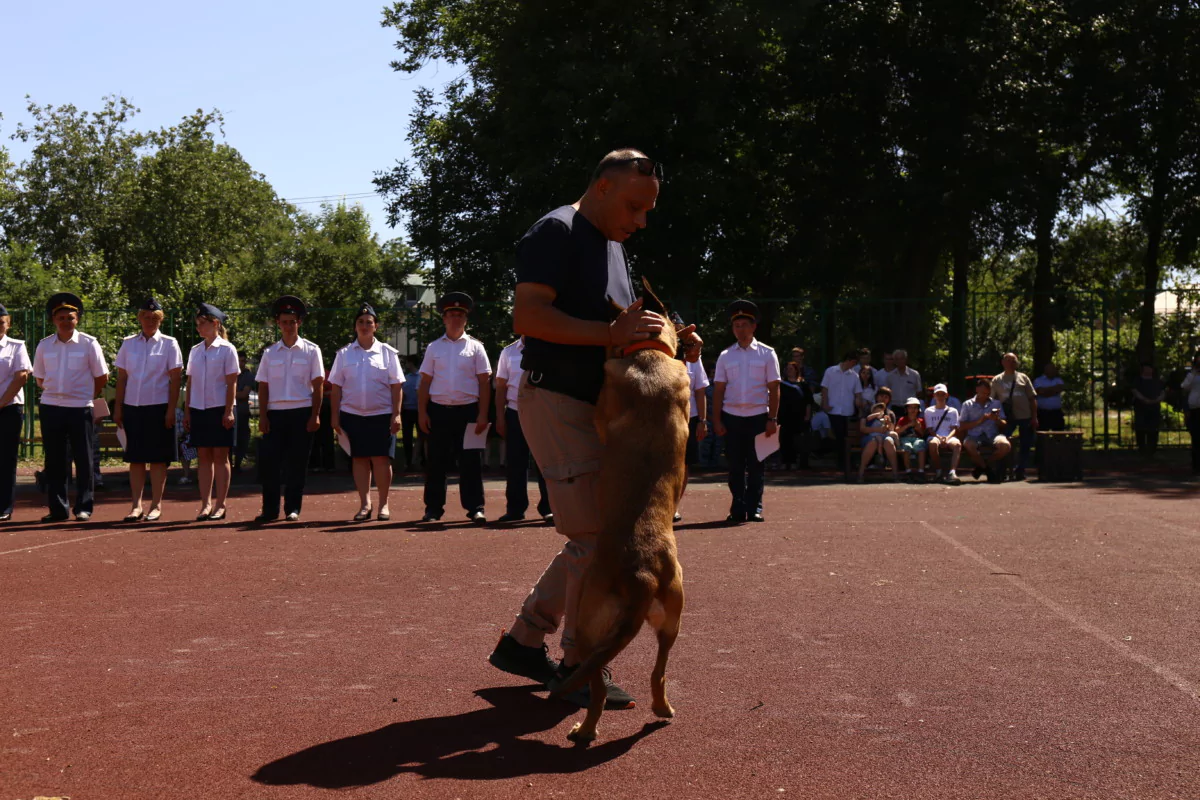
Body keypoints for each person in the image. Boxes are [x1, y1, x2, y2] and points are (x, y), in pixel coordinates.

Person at [488, 148, 671, 710]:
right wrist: (612, 334)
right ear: (604, 187)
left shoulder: (612, 245)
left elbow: (612, 325)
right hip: (557, 400)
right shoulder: (556, 231)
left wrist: (659, 336)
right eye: (636, 208)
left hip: (594, 407)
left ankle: (524, 641)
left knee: (591, 536)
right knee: (597, 538)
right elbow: (528, 318)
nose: (641, 222)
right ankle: (575, 666)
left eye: (648, 211)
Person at [33, 293, 109, 522]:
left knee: (84, 459)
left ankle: (83, 507)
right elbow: (39, 378)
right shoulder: (44, 345)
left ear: (77, 319)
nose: (66, 321)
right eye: (61, 317)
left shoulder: (89, 343)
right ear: (54, 320)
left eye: (70, 317)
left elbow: (101, 376)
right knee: (55, 460)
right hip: (51, 407)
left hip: (80, 407)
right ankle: (58, 509)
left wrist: (86, 395)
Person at [417, 291, 492, 524]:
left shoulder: (476, 348)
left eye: (460, 314)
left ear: (466, 319)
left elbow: (484, 382)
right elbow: (425, 383)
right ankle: (433, 509)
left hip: (468, 411)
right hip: (439, 411)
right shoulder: (433, 348)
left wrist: (483, 414)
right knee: (436, 462)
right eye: (451, 314)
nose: (456, 318)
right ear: (444, 318)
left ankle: (475, 508)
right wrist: (422, 412)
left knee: (471, 461)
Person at [329, 303, 404, 522]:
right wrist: (335, 416)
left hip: (381, 414)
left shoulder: (388, 353)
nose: (364, 326)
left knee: (382, 460)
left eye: (369, 322)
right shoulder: (344, 354)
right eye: (360, 322)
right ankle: (364, 504)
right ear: (355, 327)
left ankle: (384, 504)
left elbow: (396, 385)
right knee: (359, 460)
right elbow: (336, 387)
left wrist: (396, 414)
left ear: (376, 326)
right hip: (352, 415)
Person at [255, 296, 325, 523]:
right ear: (278, 323)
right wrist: (263, 415)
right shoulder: (269, 353)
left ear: (299, 323)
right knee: (271, 465)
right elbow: (263, 387)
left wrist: (315, 415)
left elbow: (318, 386)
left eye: (292, 321)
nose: (288, 326)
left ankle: (293, 508)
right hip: (275, 414)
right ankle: (270, 510)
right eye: (284, 322)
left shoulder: (312, 351)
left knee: (297, 464)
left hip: (301, 412)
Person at [113, 298, 184, 522]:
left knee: (157, 459)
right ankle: (136, 506)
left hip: (159, 408)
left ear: (160, 319)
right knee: (136, 459)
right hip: (133, 408)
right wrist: (118, 408)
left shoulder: (169, 344)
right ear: (139, 318)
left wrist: (171, 410)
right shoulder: (128, 343)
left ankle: (156, 505)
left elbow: (175, 380)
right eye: (146, 316)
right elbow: (122, 378)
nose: (150, 320)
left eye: (154, 317)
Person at [713, 300, 780, 522]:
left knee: (757, 465)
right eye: (736, 325)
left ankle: (755, 507)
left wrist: (772, 418)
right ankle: (737, 507)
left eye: (744, 325)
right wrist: (716, 419)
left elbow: (774, 388)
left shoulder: (767, 353)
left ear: (754, 327)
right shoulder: (725, 356)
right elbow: (719, 390)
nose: (740, 329)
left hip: (759, 417)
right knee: (734, 466)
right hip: (732, 417)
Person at [184, 304, 238, 521]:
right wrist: (187, 412)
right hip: (198, 408)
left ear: (215, 324)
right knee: (203, 457)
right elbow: (190, 383)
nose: (199, 328)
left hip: (219, 408)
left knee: (220, 456)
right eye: (198, 324)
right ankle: (205, 504)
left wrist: (229, 411)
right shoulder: (195, 351)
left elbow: (231, 382)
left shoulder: (227, 349)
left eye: (203, 324)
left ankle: (220, 504)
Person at [494, 336, 552, 524]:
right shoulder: (508, 351)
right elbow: (501, 387)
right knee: (515, 463)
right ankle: (515, 509)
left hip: (542, 413)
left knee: (545, 463)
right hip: (514, 412)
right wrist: (500, 417)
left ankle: (549, 509)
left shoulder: (550, 347)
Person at [0, 304, 33, 522]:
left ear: (8, 324)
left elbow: (22, 375)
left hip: (8, 409)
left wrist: (1, 403)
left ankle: (4, 506)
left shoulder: (16, 346)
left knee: (5, 459)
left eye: (1, 322)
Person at [991, 353, 1038, 481]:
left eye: (1013, 360)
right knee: (1002, 442)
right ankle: (1002, 470)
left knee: (1025, 444)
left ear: (1017, 363)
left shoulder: (1023, 377)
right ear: (1002, 362)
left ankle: (1020, 470)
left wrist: (1034, 417)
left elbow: (1032, 398)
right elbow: (992, 400)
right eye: (1007, 360)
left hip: (1025, 415)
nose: (1010, 363)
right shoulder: (997, 380)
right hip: (1006, 416)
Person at [959, 378, 1010, 483]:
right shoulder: (967, 404)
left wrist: (997, 420)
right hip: (974, 435)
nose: (985, 396)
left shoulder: (996, 404)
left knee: (1005, 446)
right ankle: (988, 471)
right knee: (968, 444)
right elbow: (962, 425)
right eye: (982, 393)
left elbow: (1004, 423)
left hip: (992, 434)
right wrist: (980, 420)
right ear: (977, 389)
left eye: (987, 393)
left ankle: (983, 466)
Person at [821, 351, 863, 467]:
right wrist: (825, 404)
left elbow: (858, 392)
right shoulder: (830, 371)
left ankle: (845, 461)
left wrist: (858, 402)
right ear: (848, 360)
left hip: (847, 410)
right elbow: (824, 389)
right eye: (853, 362)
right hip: (833, 409)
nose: (853, 365)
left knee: (846, 436)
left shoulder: (854, 375)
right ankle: (841, 461)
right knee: (838, 435)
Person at [923, 383, 962, 484]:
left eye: (942, 394)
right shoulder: (928, 411)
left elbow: (954, 428)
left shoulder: (953, 411)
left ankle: (952, 472)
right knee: (932, 444)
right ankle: (939, 470)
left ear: (946, 395)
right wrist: (939, 438)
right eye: (938, 394)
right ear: (934, 396)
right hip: (935, 436)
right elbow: (930, 429)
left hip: (949, 436)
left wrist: (947, 438)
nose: (940, 396)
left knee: (957, 445)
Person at [777, 361, 811, 469]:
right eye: (787, 369)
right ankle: (784, 461)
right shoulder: (781, 384)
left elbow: (808, 401)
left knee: (796, 440)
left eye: (791, 369)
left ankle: (794, 461)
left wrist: (807, 415)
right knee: (784, 439)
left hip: (798, 416)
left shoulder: (803, 384)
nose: (789, 371)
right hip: (784, 416)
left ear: (796, 370)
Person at [855, 402, 899, 482]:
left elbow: (891, 429)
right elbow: (863, 428)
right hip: (871, 437)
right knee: (873, 442)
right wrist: (877, 429)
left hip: (884, 437)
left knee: (889, 441)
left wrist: (888, 423)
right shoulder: (869, 417)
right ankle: (861, 473)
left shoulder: (886, 416)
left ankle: (895, 474)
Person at [1131, 362, 1166, 456]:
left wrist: (1158, 399)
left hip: (1154, 407)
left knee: (1153, 429)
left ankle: (1152, 449)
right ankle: (1142, 448)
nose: (1149, 370)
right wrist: (1144, 399)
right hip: (1141, 407)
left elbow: (1163, 392)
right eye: (1146, 368)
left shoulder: (1157, 381)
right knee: (1141, 428)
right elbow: (1134, 391)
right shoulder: (1138, 380)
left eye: (1150, 368)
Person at [881, 350, 922, 418]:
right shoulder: (890, 376)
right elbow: (887, 393)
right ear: (894, 361)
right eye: (897, 359)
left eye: (902, 358)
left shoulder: (914, 374)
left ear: (906, 359)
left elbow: (919, 392)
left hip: (910, 408)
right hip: (895, 408)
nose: (900, 361)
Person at [895, 397, 927, 480]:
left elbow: (923, 434)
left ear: (918, 409)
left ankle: (921, 471)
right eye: (910, 407)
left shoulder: (921, 420)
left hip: (917, 438)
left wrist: (918, 427)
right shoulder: (902, 419)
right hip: (905, 438)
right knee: (906, 447)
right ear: (907, 409)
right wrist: (908, 425)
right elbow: (897, 431)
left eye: (915, 407)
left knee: (920, 446)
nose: (913, 410)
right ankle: (908, 470)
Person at [400, 357, 423, 470]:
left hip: (417, 410)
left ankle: (417, 459)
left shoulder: (420, 377)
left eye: (408, 362)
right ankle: (409, 460)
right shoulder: (406, 378)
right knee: (407, 437)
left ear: (411, 363)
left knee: (421, 436)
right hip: (408, 410)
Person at [233, 352, 255, 472]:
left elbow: (244, 394)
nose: (240, 363)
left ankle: (238, 464)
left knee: (242, 438)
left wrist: (229, 394)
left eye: (243, 361)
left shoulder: (248, 375)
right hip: (228, 411)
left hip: (242, 412)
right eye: (239, 360)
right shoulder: (229, 372)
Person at [1033, 363, 1066, 432]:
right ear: (1045, 370)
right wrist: (1053, 390)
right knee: (1042, 433)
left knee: (1059, 433)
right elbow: (1040, 392)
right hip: (1043, 413)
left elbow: (1059, 389)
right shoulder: (1038, 380)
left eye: (1054, 369)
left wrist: (1045, 390)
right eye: (1051, 369)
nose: (1053, 371)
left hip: (1056, 413)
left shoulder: (1058, 380)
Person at [1182, 353, 1200, 473]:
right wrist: (1194, 373)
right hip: (1195, 409)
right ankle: (1197, 466)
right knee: (1197, 438)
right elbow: (1184, 387)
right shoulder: (1191, 375)